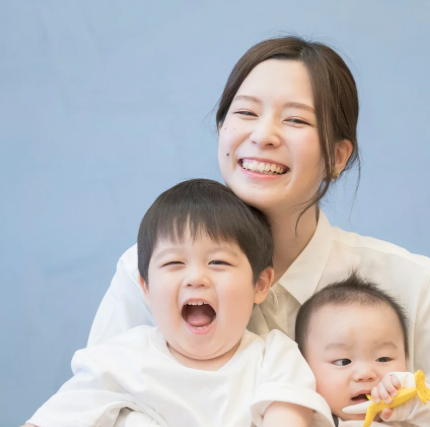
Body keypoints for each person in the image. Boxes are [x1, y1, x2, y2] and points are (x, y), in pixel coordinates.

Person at [88, 36, 430, 426]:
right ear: (222, 130)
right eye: (246, 113)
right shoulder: (151, 271)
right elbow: (93, 407)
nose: (263, 135)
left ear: (337, 156)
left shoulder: (407, 281)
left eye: (296, 119)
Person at [24, 179, 333, 427]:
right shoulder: (122, 359)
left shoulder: (274, 358)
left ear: (260, 284)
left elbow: (288, 415)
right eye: (174, 263)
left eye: (218, 262)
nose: (196, 278)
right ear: (145, 288)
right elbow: (54, 417)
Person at [295, 273, 430, 426]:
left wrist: (416, 403)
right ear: (304, 366)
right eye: (343, 362)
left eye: (383, 359)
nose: (365, 374)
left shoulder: (410, 419)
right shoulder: (301, 417)